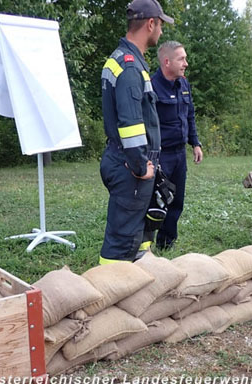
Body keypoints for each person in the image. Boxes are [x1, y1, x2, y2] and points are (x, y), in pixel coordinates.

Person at [98, 0, 174, 264]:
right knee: (122, 244)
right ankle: (109, 292)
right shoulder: (131, 66)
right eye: (161, 25)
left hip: (124, 160)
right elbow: (131, 126)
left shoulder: (122, 60)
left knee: (140, 237)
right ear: (150, 24)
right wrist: (141, 167)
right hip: (131, 167)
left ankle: (138, 288)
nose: (162, 32)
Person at [151, 41, 203, 250]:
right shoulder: (151, 86)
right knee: (155, 200)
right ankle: (142, 245)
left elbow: (189, 115)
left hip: (179, 154)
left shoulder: (183, 84)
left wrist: (195, 143)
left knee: (176, 201)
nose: (186, 64)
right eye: (181, 59)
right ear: (166, 61)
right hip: (160, 154)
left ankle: (166, 244)